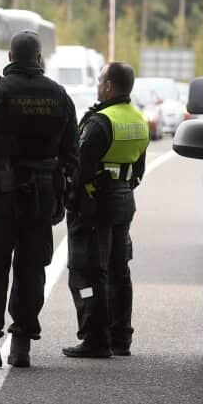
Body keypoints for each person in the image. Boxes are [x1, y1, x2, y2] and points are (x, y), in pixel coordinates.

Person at [0, 31, 78, 369]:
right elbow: (72, 154)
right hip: (41, 194)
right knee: (31, 269)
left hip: (0, 193)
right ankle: (21, 345)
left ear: (10, 58)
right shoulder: (59, 96)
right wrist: (62, 195)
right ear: (39, 59)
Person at [62, 62, 149, 358]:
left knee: (86, 273)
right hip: (124, 199)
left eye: (100, 80)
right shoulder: (138, 119)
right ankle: (120, 337)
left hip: (96, 202)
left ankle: (94, 337)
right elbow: (138, 169)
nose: (98, 85)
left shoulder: (100, 122)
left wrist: (73, 202)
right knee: (118, 269)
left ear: (109, 86)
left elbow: (80, 167)